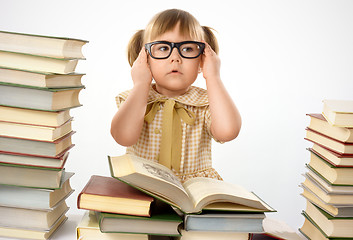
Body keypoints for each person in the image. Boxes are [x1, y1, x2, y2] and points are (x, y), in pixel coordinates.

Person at [111, 9, 241, 183]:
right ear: (146, 58)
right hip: (144, 185)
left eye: (187, 49)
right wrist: (141, 84)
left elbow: (228, 132)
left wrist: (213, 77)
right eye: (163, 48)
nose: (175, 57)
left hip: (193, 189)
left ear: (202, 59)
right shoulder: (136, 97)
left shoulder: (206, 103)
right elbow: (123, 137)